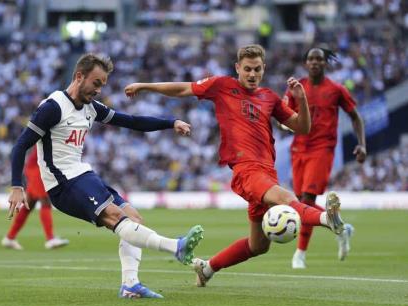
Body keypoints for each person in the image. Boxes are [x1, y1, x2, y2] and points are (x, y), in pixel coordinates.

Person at [124, 44, 350, 287]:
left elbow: (303, 127)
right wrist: (145, 86)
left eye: (257, 69)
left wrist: (302, 99)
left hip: (266, 173)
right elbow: (183, 89)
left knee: (258, 246)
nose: (252, 74)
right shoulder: (222, 85)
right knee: (286, 198)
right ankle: (328, 219)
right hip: (246, 169)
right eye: (247, 69)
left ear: (263, 69)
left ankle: (207, 269)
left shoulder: (270, 98)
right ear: (237, 68)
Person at [8, 53, 204, 298]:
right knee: (115, 217)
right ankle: (176, 247)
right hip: (62, 184)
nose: (99, 90)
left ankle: (130, 285)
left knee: (134, 218)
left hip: (82, 174)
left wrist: (171, 122)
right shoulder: (53, 107)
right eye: (96, 83)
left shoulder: (90, 108)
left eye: (102, 85)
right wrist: (17, 185)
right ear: (79, 76)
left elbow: (131, 121)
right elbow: (20, 145)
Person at [284, 47, 366, 268]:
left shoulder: (336, 90)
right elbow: (284, 115)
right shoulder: (296, 88)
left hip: (322, 149)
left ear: (325, 63)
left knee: (308, 200)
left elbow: (356, 117)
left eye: (319, 59)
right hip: (298, 148)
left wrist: (362, 145)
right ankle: (340, 227)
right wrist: (284, 118)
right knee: (301, 203)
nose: (315, 62)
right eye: (310, 58)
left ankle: (300, 253)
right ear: (305, 63)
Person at [2, 147, 69, 250]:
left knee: (29, 204)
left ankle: (10, 238)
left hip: (36, 166)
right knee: (45, 201)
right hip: (37, 168)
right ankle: (50, 239)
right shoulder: (51, 132)